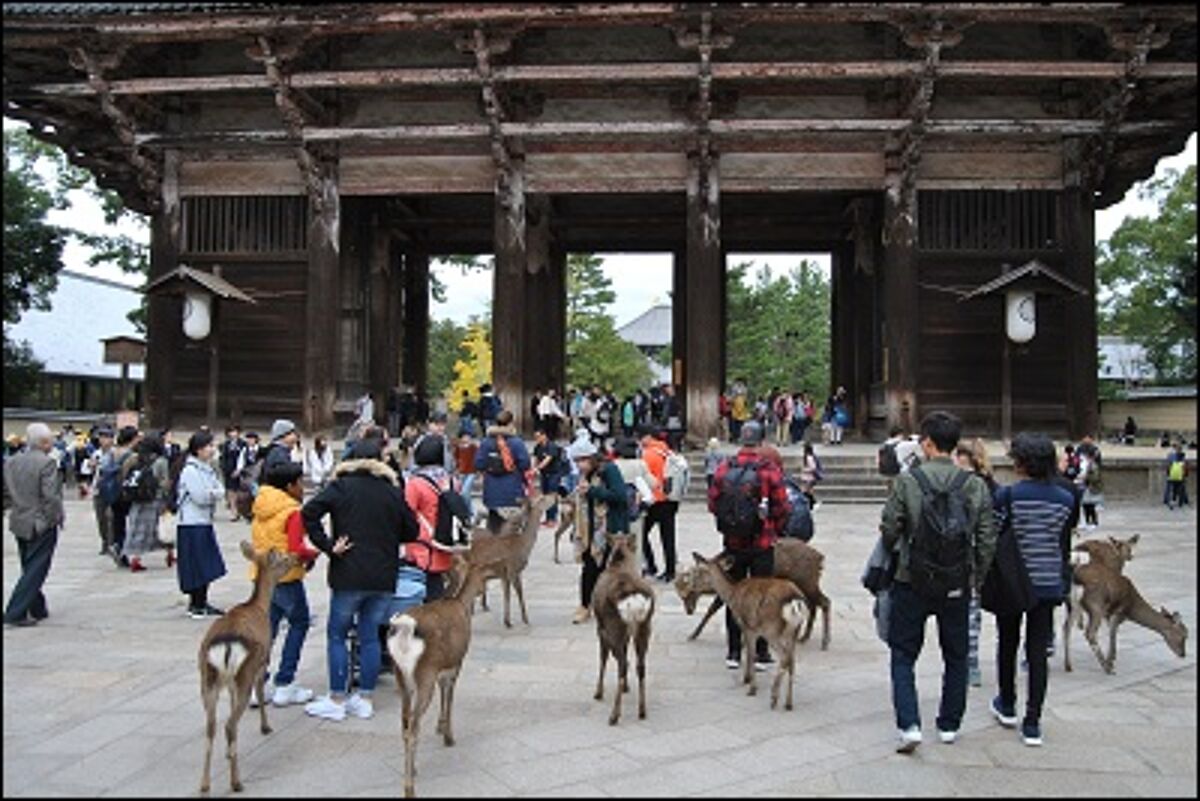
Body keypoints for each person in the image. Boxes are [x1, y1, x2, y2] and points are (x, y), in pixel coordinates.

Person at [880, 410, 996, 754]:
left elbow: (890, 527)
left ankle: (909, 724)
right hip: (956, 580)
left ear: (928, 443)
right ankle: (949, 724)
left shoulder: (908, 482)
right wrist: (976, 576)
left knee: (903, 653)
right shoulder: (974, 485)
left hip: (911, 578)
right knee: (956, 656)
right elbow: (987, 538)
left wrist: (897, 552)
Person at [301, 438, 419, 722]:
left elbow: (309, 512)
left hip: (348, 570)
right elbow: (412, 531)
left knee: (338, 635)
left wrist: (327, 545)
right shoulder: (392, 491)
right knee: (370, 636)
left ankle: (337, 697)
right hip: (383, 574)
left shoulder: (341, 487)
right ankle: (365, 697)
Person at [988, 432, 1076, 748]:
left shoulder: (1008, 496)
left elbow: (993, 532)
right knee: (1038, 652)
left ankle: (1007, 703)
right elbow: (1062, 537)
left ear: (1021, 463)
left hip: (1011, 580)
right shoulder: (1066, 499)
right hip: (1048, 581)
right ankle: (1033, 722)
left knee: (1007, 642)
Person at [707, 420, 790, 671]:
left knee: (734, 595)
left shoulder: (724, 467)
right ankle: (761, 652)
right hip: (761, 542)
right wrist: (774, 527)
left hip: (733, 543)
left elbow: (713, 503)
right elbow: (782, 506)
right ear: (761, 441)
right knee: (763, 596)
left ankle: (733, 651)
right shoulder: (769, 470)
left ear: (741, 439)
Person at [3, 422, 64, 626]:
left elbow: (6, 491)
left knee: (29, 565)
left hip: (19, 519)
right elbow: (50, 496)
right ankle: (15, 612)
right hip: (39, 521)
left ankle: (37, 607)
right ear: (44, 442)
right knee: (36, 568)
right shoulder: (46, 463)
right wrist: (54, 518)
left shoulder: (11, 461)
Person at [952, 438, 998, 689]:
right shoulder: (990, 486)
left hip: (949, 558)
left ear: (961, 457)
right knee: (971, 615)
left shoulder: (954, 484)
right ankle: (971, 663)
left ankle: (960, 663)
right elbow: (988, 532)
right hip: (973, 560)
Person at [569, 438, 630, 625]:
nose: (580, 465)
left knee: (609, 569)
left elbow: (620, 495)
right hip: (589, 530)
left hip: (608, 527)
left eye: (583, 460)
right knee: (589, 567)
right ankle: (585, 605)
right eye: (577, 461)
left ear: (592, 458)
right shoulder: (585, 475)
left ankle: (608, 606)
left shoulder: (609, 470)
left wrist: (593, 491)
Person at [175, 431, 228, 619]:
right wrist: (213, 493)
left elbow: (220, 489)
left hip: (204, 521)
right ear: (198, 449)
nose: (212, 450)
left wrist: (213, 493)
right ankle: (195, 603)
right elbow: (201, 497)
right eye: (209, 446)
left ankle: (202, 601)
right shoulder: (190, 470)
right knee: (195, 564)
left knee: (206, 564)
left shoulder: (207, 469)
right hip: (191, 522)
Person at [404, 435, 459, 602]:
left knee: (422, 592)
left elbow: (406, 513)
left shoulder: (415, 484)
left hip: (422, 543)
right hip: (443, 540)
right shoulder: (451, 481)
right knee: (436, 586)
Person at [121, 433, 174, 573]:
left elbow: (125, 475)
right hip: (155, 498)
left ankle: (135, 557)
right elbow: (165, 482)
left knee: (138, 528)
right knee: (162, 527)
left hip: (138, 498)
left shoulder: (135, 459)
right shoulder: (161, 461)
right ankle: (170, 553)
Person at [474, 409, 532, 533]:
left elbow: (478, 464)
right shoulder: (516, 442)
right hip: (512, 489)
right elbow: (525, 464)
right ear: (511, 423)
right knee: (511, 529)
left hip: (492, 490)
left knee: (494, 527)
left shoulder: (486, 442)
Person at [640, 428, 679, 582]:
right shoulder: (667, 451)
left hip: (655, 499)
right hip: (670, 498)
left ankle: (651, 565)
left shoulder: (648, 454)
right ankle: (670, 570)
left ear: (649, 437)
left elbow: (644, 477)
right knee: (668, 537)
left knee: (641, 534)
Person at [87, 426, 115, 556]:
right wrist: (92, 466)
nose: (103, 440)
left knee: (110, 517)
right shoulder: (96, 453)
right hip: (98, 488)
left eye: (106, 437)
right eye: (101, 438)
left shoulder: (114, 453)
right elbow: (90, 471)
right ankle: (104, 541)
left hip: (110, 488)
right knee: (101, 517)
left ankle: (111, 542)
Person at [533, 427, 568, 526]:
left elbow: (547, 459)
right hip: (544, 474)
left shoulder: (551, 446)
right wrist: (534, 468)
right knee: (545, 496)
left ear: (544, 436)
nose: (537, 439)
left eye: (538, 436)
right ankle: (548, 518)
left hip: (554, 474)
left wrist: (537, 468)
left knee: (552, 495)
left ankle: (553, 518)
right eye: (535, 437)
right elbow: (536, 459)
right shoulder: (538, 447)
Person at [1076, 446, 1103, 529]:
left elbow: (1095, 477)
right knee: (1086, 505)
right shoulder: (1089, 464)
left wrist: (1085, 477)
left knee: (1090, 505)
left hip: (1091, 487)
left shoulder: (1093, 465)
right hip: (1087, 487)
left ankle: (1093, 522)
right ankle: (1087, 522)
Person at [454, 432, 479, 520]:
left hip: (471, 472)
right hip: (461, 472)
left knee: (465, 492)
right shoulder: (458, 447)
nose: (466, 439)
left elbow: (478, 458)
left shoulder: (473, 447)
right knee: (462, 494)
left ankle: (471, 513)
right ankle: (469, 512)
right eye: (464, 437)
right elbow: (456, 458)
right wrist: (457, 469)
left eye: (468, 437)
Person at [798, 441, 822, 510]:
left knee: (806, 491)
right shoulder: (808, 457)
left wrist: (805, 470)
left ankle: (812, 503)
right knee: (808, 491)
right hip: (807, 477)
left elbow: (813, 467)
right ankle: (811, 504)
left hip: (809, 477)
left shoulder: (809, 457)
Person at [1165, 442, 1189, 509]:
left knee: (1170, 489)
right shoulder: (1183, 457)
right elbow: (1185, 468)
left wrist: (1168, 474)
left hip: (1172, 476)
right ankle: (1182, 501)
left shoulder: (1170, 456)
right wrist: (1186, 475)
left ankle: (1168, 500)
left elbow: (1168, 467)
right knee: (1182, 488)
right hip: (1180, 477)